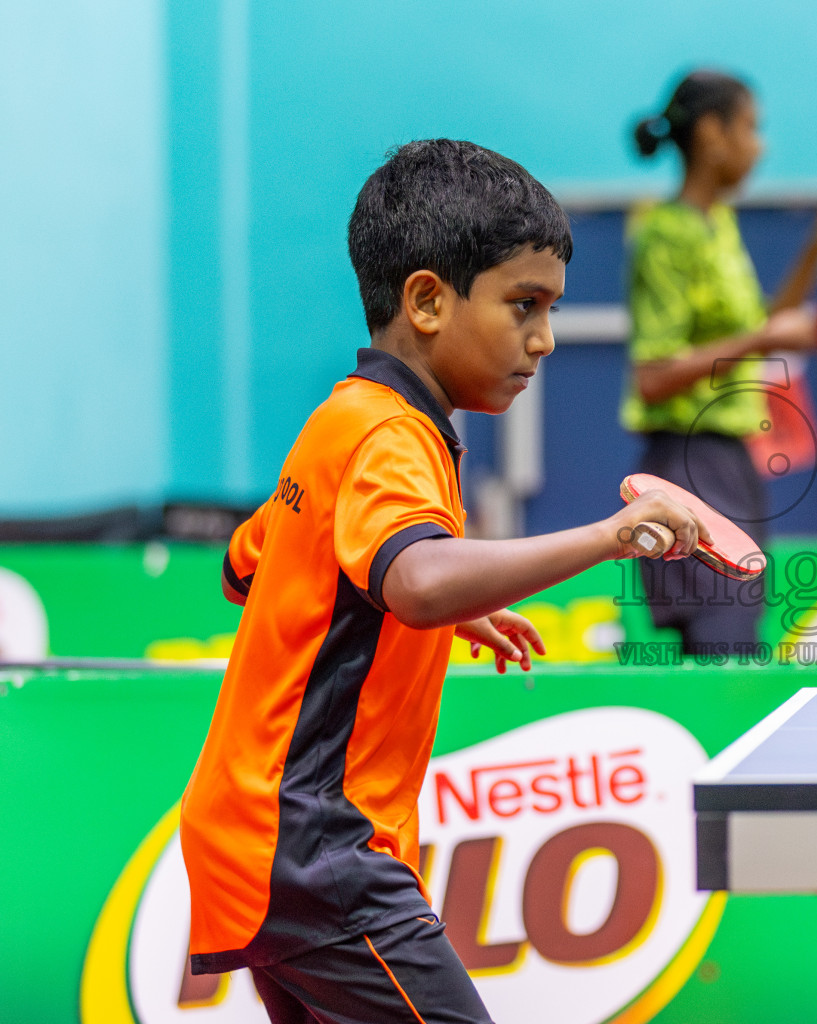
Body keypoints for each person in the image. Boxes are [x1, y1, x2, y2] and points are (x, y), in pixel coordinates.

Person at [179, 139, 702, 1024]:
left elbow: (254, 564)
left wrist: (444, 609)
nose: (544, 339)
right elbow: (417, 580)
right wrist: (609, 536)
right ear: (426, 300)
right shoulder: (395, 436)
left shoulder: (341, 419)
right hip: (318, 846)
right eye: (524, 305)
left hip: (255, 834)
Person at [623, 69, 817, 656]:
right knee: (722, 645)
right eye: (751, 128)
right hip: (689, 462)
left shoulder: (720, 225)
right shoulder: (665, 234)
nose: (760, 146)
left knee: (738, 633)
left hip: (733, 459)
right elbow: (653, 377)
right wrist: (762, 336)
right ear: (713, 133)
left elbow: (762, 330)